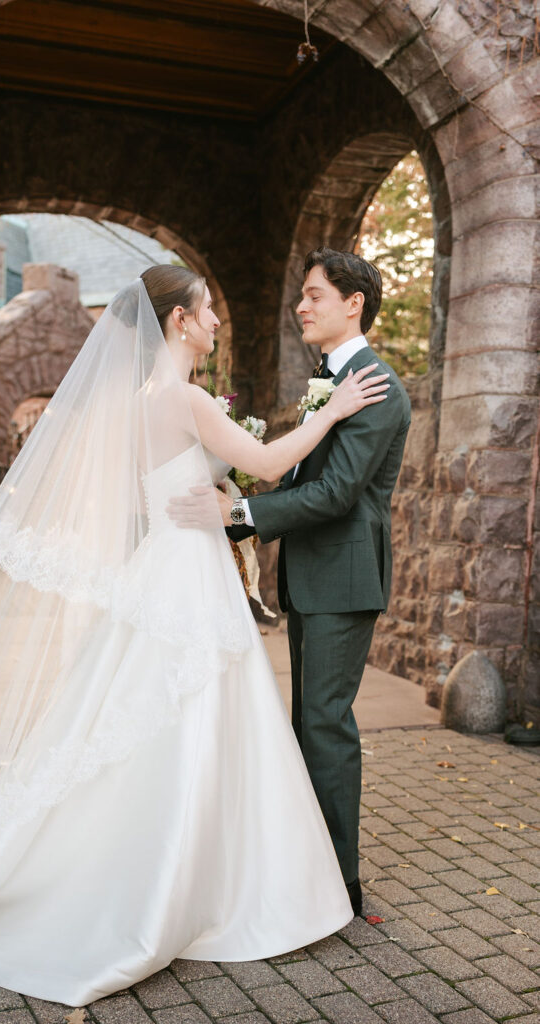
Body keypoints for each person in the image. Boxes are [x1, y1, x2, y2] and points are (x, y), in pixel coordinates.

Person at [0, 265, 388, 1007]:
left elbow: (173, 488)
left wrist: (223, 496)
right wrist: (332, 413)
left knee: (150, 712)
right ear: (177, 321)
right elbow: (267, 462)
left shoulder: (138, 402)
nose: (212, 324)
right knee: (191, 712)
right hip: (186, 575)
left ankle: (182, 861)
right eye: (206, 312)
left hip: (162, 566)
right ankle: (209, 878)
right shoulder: (185, 396)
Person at [170, 249, 411, 918]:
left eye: (313, 295)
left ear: (352, 303)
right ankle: (305, 869)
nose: (300, 307)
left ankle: (340, 884)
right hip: (311, 575)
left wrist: (239, 513)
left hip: (342, 577)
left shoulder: (375, 384)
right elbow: (301, 471)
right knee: (306, 724)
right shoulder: (332, 382)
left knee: (325, 726)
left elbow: (336, 493)